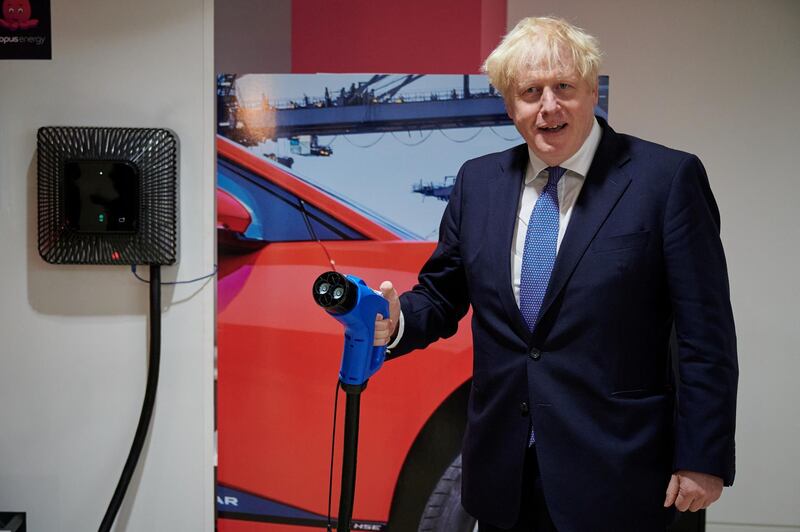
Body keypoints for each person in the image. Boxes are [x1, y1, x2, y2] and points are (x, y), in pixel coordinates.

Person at [373, 16, 738, 532]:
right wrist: (397, 322)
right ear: (509, 104)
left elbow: (707, 336)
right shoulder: (477, 183)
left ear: (591, 89)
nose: (548, 106)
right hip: (504, 475)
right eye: (530, 92)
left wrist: (704, 456)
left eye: (563, 86)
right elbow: (441, 293)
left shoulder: (666, 180)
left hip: (623, 476)